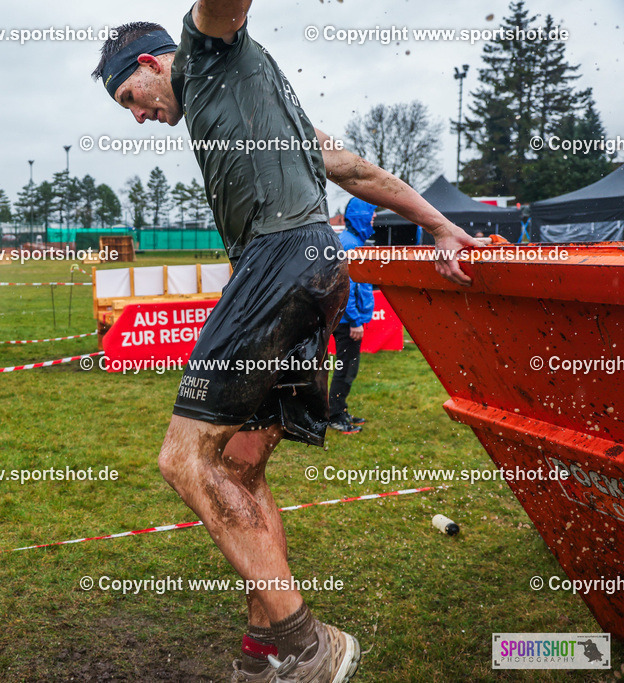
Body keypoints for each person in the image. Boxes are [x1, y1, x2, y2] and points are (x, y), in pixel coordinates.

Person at [92, 2, 482, 681]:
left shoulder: (207, 51)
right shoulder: (268, 108)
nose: (138, 116)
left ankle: (308, 642)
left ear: (152, 63)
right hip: (317, 272)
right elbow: (354, 171)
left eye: (131, 97)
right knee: (240, 465)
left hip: (279, 263)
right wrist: (441, 224)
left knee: (184, 458)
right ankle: (266, 645)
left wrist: (441, 226)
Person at [328, 199, 377, 435]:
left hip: (347, 318)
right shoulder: (350, 244)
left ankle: (340, 410)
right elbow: (344, 287)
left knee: (348, 368)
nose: (374, 218)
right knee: (346, 369)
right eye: (371, 214)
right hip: (347, 321)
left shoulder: (352, 241)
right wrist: (355, 321)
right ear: (361, 216)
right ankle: (335, 416)